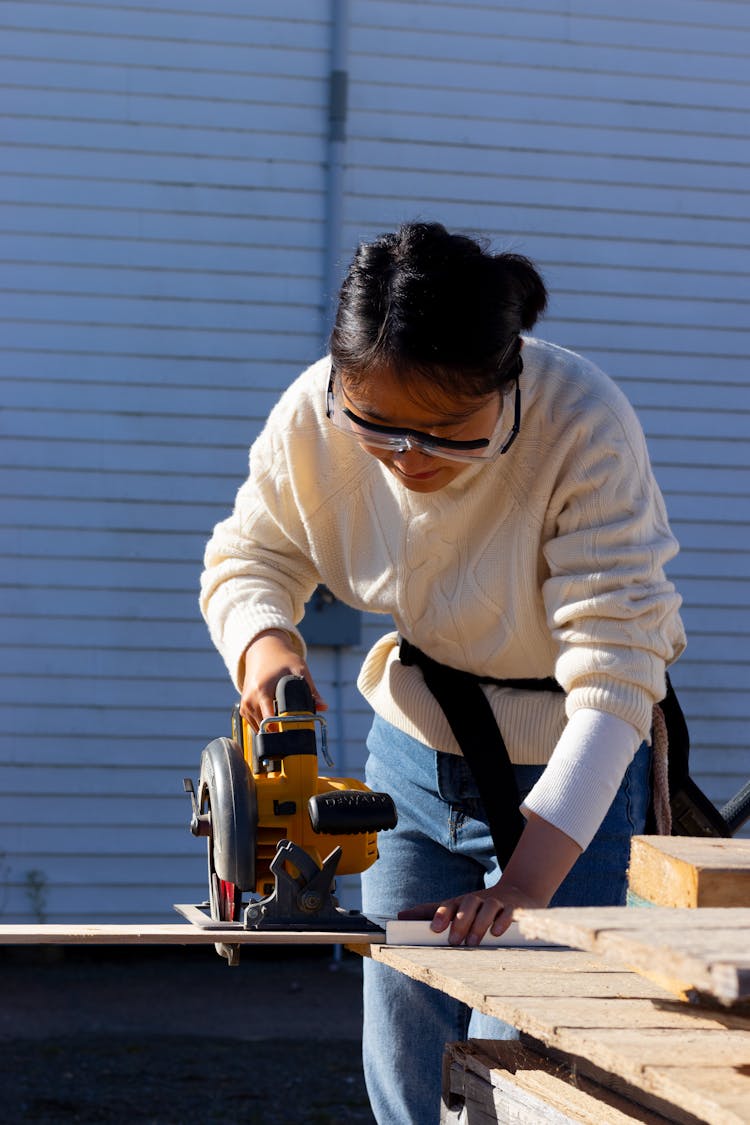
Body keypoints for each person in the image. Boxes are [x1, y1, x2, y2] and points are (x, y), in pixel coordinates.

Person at [200, 221, 686, 1124]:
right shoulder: (318, 414)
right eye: (380, 428)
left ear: (507, 383)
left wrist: (528, 882)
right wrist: (268, 650)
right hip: (413, 757)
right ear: (343, 382)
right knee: (406, 1042)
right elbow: (249, 558)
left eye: (447, 433)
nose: (411, 457)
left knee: (534, 1058)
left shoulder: (581, 421)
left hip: (570, 766)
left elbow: (618, 676)